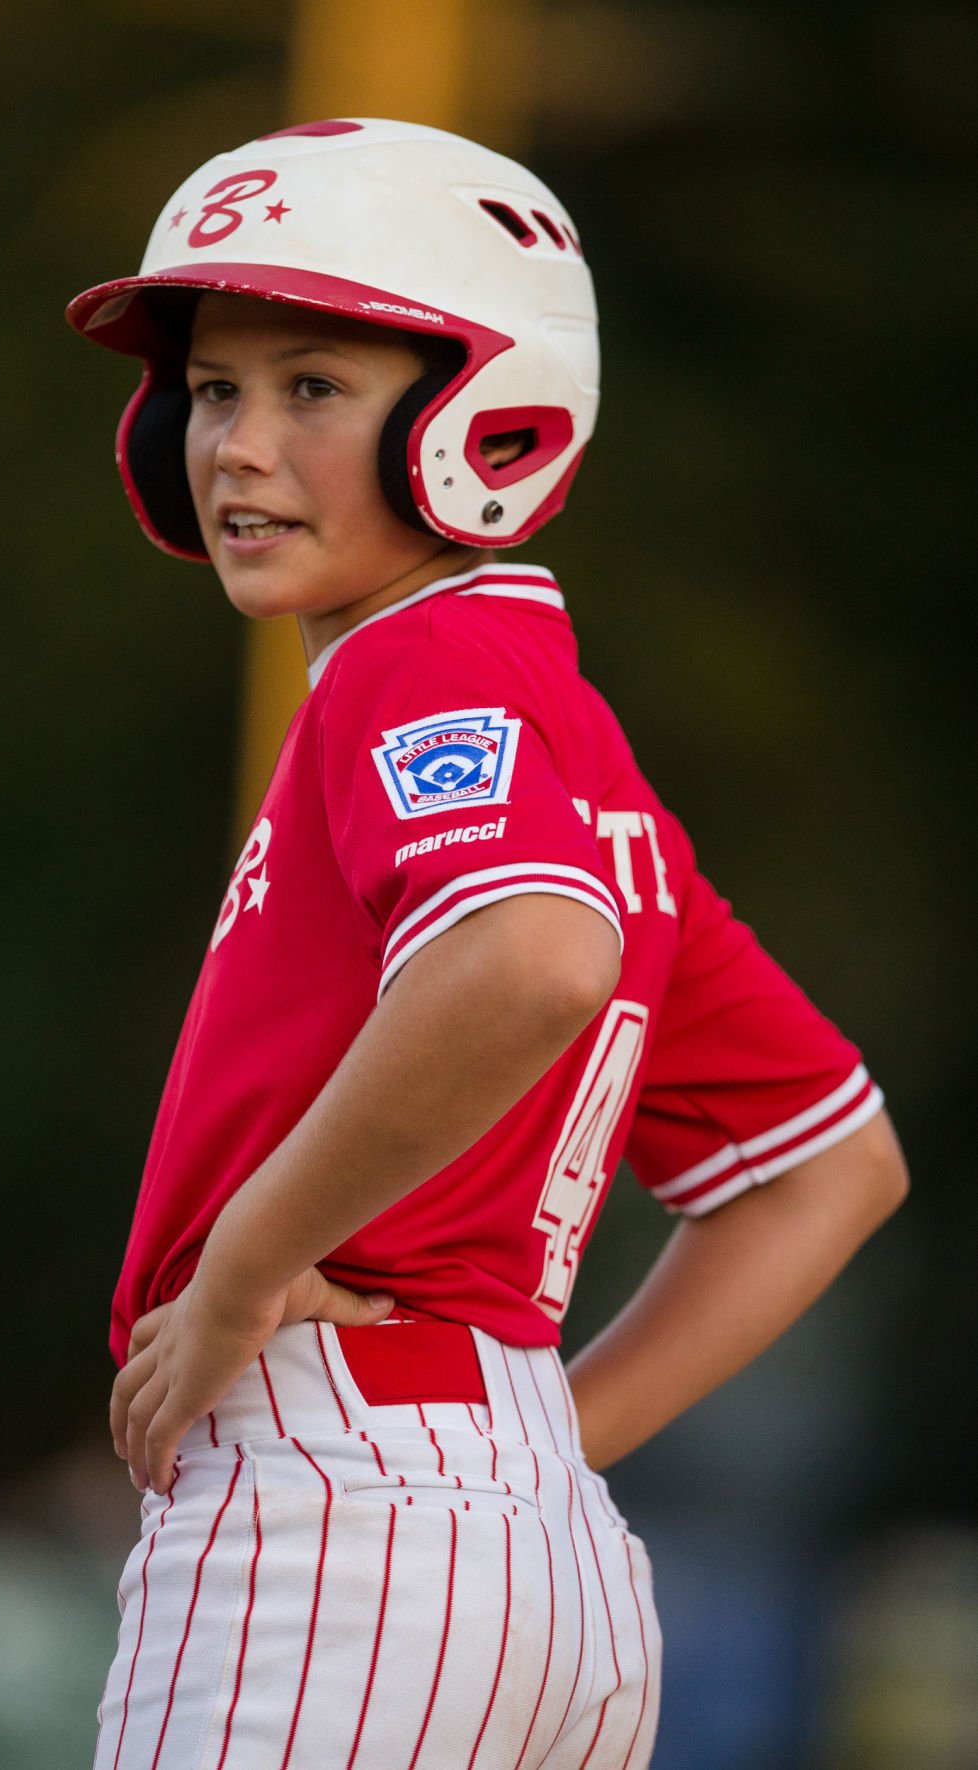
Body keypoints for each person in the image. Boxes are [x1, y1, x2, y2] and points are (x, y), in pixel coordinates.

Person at [67, 119, 908, 1770]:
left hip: (339, 1515)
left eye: (313, 384)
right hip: (530, 1548)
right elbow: (828, 1167)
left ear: (485, 409)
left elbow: (526, 959)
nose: (235, 446)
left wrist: (237, 1271)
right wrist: (536, 1442)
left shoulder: (417, 661)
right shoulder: (589, 772)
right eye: (217, 390)